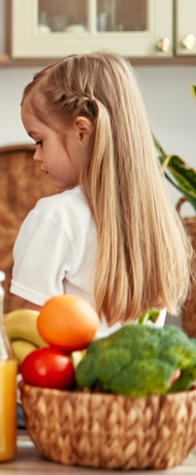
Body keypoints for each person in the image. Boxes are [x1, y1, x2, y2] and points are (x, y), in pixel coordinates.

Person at [11, 52, 192, 334]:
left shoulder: (55, 217)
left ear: (82, 131)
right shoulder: (158, 220)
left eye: (39, 141)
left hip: (72, 379)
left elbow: (33, 335)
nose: (36, 155)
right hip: (141, 379)